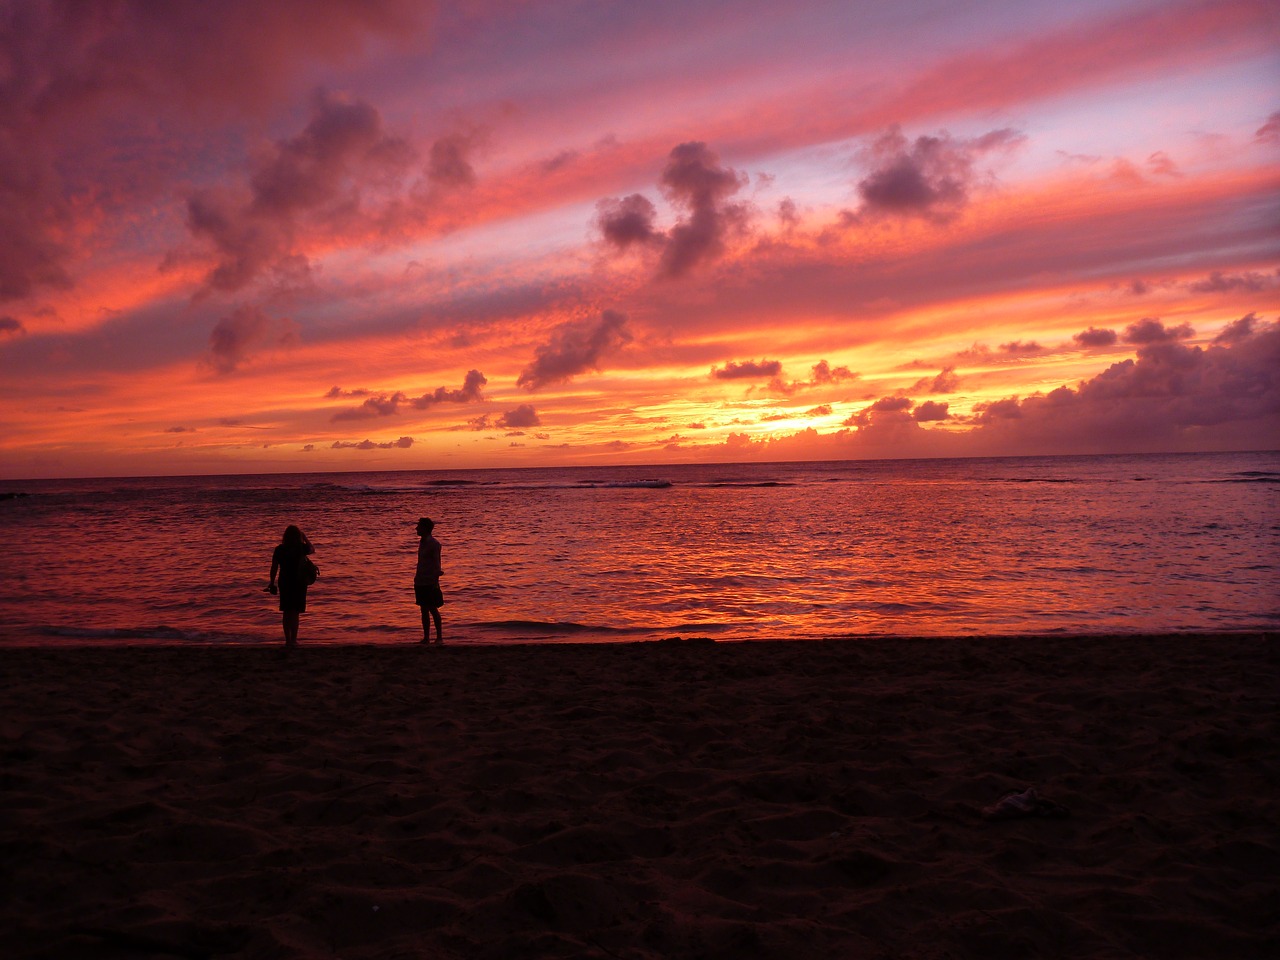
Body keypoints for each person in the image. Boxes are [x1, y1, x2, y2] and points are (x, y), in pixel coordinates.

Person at [266, 525, 314, 647]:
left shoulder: (279, 549)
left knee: (287, 611)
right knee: (295, 611)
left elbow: (274, 567)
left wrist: (272, 582)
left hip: (285, 581)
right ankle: (294, 639)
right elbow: (312, 549)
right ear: (298, 536)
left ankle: (287, 640)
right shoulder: (301, 548)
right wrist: (305, 538)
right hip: (299, 582)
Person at [414, 517, 444, 644]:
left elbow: (437, 564)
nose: (416, 528)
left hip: (430, 581)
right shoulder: (422, 542)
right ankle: (426, 637)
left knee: (432, 608)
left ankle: (439, 637)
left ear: (425, 528)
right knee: (423, 609)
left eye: (419, 526)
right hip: (420, 580)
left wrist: (435, 581)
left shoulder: (434, 544)